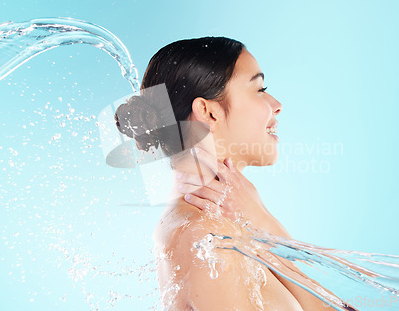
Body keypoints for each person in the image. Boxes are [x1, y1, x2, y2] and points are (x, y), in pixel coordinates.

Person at [114, 37, 346, 310]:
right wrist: (266, 224)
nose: (277, 104)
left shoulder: (215, 225)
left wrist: (262, 223)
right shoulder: (209, 239)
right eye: (260, 89)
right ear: (208, 112)